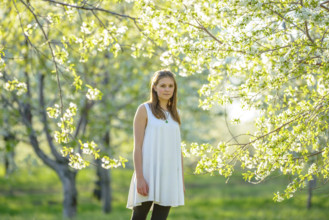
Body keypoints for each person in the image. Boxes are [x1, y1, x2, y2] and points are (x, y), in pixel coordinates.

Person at [127, 70, 185, 220]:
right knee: (138, 218)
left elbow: (177, 150)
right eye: (163, 85)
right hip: (147, 173)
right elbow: (137, 146)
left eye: (171, 86)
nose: (167, 89)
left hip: (169, 175)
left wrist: (180, 180)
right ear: (154, 87)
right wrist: (140, 177)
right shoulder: (144, 110)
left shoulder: (176, 113)